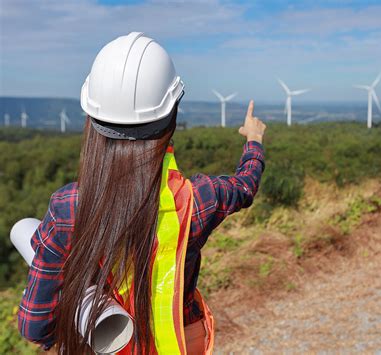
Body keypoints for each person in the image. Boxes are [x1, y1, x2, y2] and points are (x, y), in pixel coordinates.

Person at [17, 32, 266, 354]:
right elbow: (245, 185)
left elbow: (35, 324)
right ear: (172, 113)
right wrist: (254, 141)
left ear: (91, 118)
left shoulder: (68, 208)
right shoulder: (200, 199)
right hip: (180, 342)